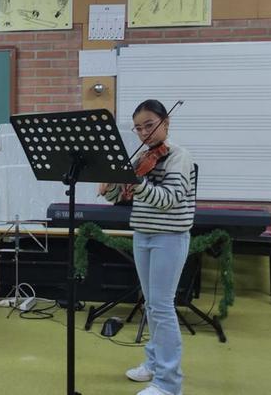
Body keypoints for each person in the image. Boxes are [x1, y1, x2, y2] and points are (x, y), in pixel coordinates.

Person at [97, 99, 196, 395]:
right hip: (143, 233)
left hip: (170, 237)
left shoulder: (179, 157)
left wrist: (136, 182)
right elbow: (120, 198)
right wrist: (110, 185)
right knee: (151, 305)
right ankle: (153, 364)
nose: (144, 133)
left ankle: (168, 383)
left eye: (149, 125)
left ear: (166, 122)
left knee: (162, 307)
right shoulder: (141, 158)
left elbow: (169, 199)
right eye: (138, 128)